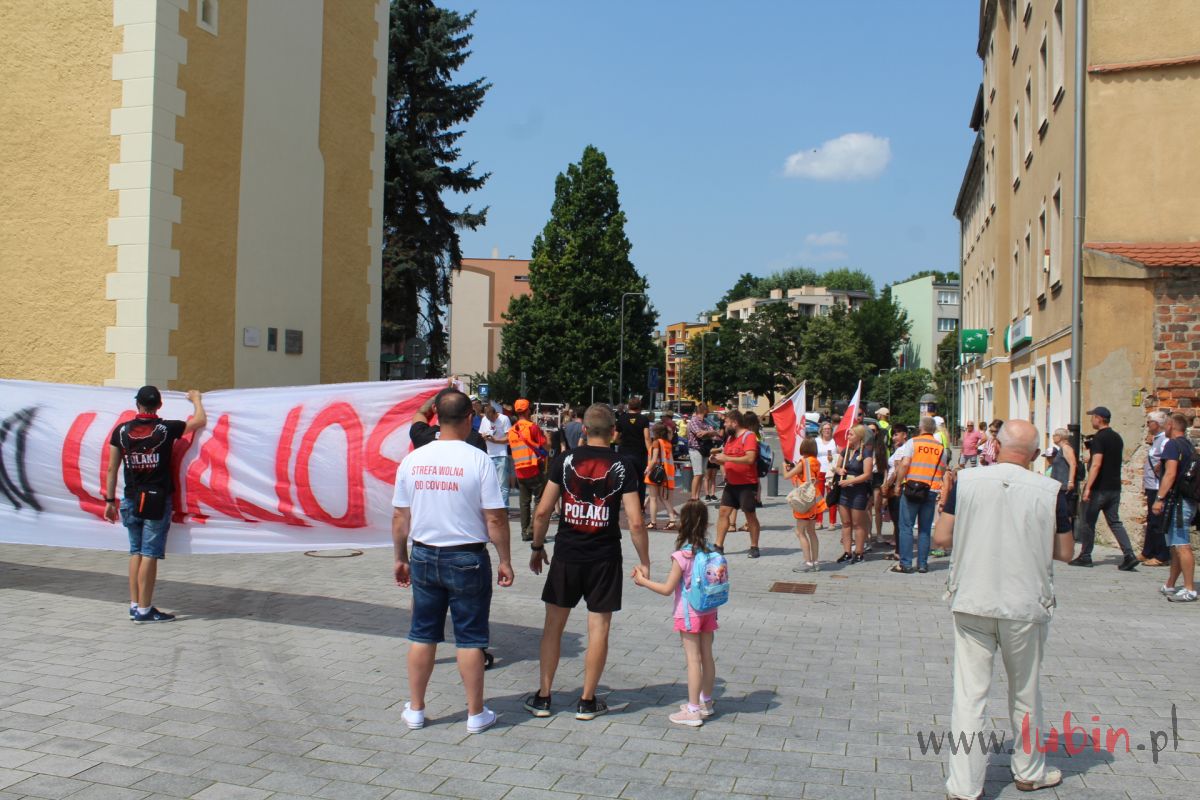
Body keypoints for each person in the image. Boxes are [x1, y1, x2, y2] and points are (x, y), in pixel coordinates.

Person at [932, 419, 1074, 799]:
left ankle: (964, 786)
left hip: (973, 597)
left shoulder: (966, 481)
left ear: (996, 445)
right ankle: (1029, 770)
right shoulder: (1051, 490)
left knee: (969, 696)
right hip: (1024, 601)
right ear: (1035, 454)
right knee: (1025, 692)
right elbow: (1065, 552)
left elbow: (942, 537)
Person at [391, 390, 513, 734]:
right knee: (471, 638)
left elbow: (401, 516)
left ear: (436, 419)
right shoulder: (478, 459)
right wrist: (505, 560)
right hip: (468, 556)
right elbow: (496, 518)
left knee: (422, 634)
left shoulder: (413, 459)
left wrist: (400, 557)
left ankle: (415, 709)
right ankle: (476, 714)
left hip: (425, 553)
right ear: (468, 420)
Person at [525, 404, 651, 720]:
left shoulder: (564, 460)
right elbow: (636, 522)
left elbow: (542, 512)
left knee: (553, 627)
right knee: (599, 628)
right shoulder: (625, 464)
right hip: (604, 557)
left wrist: (538, 547)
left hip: (567, 554)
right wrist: (645, 560)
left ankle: (543, 696)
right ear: (614, 432)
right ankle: (587, 700)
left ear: (584, 430)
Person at [104, 386, 207, 623]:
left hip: (130, 497)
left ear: (136, 404)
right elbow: (199, 421)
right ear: (159, 405)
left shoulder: (120, 432)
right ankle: (144, 609)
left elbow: (112, 468)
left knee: (135, 551)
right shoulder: (166, 428)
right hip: (156, 499)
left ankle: (134, 604)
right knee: (149, 553)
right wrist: (196, 400)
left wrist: (109, 501)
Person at [632, 500, 719, 727]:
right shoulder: (710, 551)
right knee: (707, 656)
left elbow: (667, 589)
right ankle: (706, 702)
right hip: (709, 610)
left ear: (684, 524)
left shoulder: (682, 556)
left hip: (689, 613)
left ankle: (692, 710)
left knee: (693, 660)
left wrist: (643, 581)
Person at [1071, 406, 1138, 570]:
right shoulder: (1117, 437)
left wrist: (1088, 488)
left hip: (1098, 488)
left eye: (1092, 416)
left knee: (1088, 522)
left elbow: (1097, 464)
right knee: (1115, 522)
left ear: (1099, 418)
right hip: (1114, 487)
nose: (1091, 420)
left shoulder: (1100, 438)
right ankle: (1129, 555)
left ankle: (1085, 556)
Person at [892, 417, 948, 574]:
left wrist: (898, 484)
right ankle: (923, 564)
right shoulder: (940, 447)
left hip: (912, 489)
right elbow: (942, 469)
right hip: (930, 490)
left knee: (906, 526)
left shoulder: (913, 442)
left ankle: (906, 563)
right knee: (924, 529)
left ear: (920, 428)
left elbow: (904, 464)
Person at [1154, 413, 1197, 602]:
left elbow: (1170, 474)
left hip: (1178, 501)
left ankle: (1189, 589)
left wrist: (1159, 498)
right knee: (1175, 546)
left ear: (1171, 425)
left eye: (1165, 424)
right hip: (1186, 500)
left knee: (1182, 545)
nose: (1164, 427)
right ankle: (1171, 584)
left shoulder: (1172, 444)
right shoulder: (1187, 445)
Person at [712, 411, 762, 558]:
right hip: (732, 483)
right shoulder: (730, 439)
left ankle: (754, 546)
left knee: (750, 515)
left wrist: (726, 457)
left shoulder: (749, 436)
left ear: (734, 422)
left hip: (747, 483)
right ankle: (718, 545)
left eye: (726, 422)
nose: (725, 425)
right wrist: (717, 460)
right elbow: (727, 459)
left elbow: (750, 458)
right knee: (723, 513)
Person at [783, 437, 826, 572]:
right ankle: (816, 561)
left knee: (800, 532)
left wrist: (785, 467)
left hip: (804, 502)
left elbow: (786, 476)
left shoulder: (803, 462)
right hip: (814, 502)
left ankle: (807, 563)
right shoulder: (816, 462)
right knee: (812, 532)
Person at [508, 399, 548, 542]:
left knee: (523, 503)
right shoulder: (532, 427)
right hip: (534, 468)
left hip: (519, 470)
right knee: (539, 500)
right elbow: (544, 446)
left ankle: (525, 532)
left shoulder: (512, 430)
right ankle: (532, 530)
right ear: (528, 411)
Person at [833, 425, 873, 564]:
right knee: (846, 523)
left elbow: (867, 474)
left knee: (858, 524)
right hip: (845, 490)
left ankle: (859, 552)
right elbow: (837, 466)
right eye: (848, 434)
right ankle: (847, 551)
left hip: (858, 491)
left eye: (851, 434)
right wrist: (839, 471)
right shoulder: (846, 450)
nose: (848, 437)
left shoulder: (866, 452)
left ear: (859, 436)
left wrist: (853, 481)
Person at [411, 385, 488, 452]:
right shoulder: (475, 439)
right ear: (470, 417)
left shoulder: (421, 435)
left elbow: (421, 412)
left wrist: (443, 392)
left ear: (435, 408)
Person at [1140, 411, 1170, 566]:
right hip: (1152, 485)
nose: (1147, 425)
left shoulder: (1164, 440)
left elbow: (1166, 461)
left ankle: (1161, 555)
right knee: (1151, 519)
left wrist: (1161, 465)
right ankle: (1148, 551)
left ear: (1156, 424)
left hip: (1158, 486)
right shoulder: (1157, 439)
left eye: (1149, 422)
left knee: (1158, 520)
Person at [881, 424, 910, 561]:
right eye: (893, 435)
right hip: (899, 487)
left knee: (898, 521)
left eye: (896, 434)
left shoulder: (901, 450)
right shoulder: (905, 448)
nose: (893, 438)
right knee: (898, 521)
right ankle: (900, 549)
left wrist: (888, 486)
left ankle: (899, 551)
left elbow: (897, 470)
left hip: (896, 488)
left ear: (904, 434)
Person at [616, 396, 652, 507]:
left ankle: (622, 503)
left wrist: (620, 443)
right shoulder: (644, 419)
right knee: (641, 481)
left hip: (624, 453)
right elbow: (646, 437)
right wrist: (651, 452)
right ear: (639, 406)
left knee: (623, 479)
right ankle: (640, 506)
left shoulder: (621, 418)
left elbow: (615, 437)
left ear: (628, 406)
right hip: (639, 454)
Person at [477, 401, 513, 511]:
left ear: (495, 414)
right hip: (489, 454)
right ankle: (491, 507)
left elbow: (509, 438)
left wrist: (496, 441)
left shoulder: (504, 419)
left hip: (501, 454)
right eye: (488, 419)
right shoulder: (485, 420)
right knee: (489, 484)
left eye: (492, 419)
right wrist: (484, 436)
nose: (491, 421)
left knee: (503, 485)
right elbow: (481, 433)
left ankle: (503, 509)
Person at [645, 422, 680, 530]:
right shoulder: (667, 443)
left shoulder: (656, 442)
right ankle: (672, 520)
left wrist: (647, 469)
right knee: (664, 498)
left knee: (653, 498)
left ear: (656, 432)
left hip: (655, 473)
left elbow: (654, 459)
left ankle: (653, 522)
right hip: (665, 474)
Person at [1044, 428, 1079, 532]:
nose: (1053, 436)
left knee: (1063, 514)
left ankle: (1066, 537)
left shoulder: (1066, 448)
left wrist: (1070, 481)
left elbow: (1073, 464)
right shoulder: (1062, 449)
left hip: (1064, 487)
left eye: (1054, 434)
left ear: (1060, 437)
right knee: (1060, 514)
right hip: (1059, 486)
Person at [687, 403, 721, 502]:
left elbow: (715, 432)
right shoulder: (694, 421)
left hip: (704, 449)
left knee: (702, 474)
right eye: (707, 411)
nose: (708, 413)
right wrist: (708, 433)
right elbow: (699, 434)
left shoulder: (705, 422)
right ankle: (693, 497)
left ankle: (697, 496)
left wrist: (706, 432)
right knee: (697, 474)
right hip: (696, 449)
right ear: (704, 411)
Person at [815, 421, 840, 530]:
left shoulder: (834, 442)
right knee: (819, 498)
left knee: (831, 497)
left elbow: (840, 455)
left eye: (829, 429)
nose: (827, 430)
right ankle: (819, 521)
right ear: (821, 430)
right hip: (819, 471)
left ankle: (832, 522)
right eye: (825, 429)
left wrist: (834, 459)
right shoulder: (816, 441)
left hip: (831, 472)